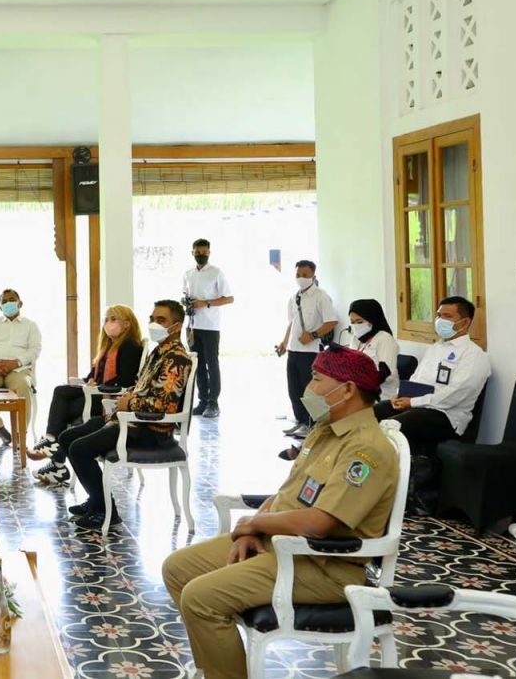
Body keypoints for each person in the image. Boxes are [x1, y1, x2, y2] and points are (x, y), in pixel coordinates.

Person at [162, 346, 399, 679]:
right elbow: (286, 494)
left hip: (323, 565)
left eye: (317, 379)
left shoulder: (366, 448)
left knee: (201, 598)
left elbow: (319, 523)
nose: (308, 387)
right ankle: (215, 668)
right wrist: (254, 531)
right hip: (279, 545)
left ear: (347, 389)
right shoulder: (325, 429)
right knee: (177, 568)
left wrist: (255, 522)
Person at [51, 301, 193, 523]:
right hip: (131, 422)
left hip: (149, 430)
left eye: (161, 320)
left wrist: (130, 403)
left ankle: (105, 511)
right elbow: (140, 388)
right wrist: (127, 398)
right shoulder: (158, 352)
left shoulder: (176, 358)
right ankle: (96, 500)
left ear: (177, 326)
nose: (154, 324)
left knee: (80, 448)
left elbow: (162, 405)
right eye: (152, 319)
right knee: (67, 437)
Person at [373, 296, 490, 510]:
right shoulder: (435, 348)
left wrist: (414, 402)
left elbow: (455, 395)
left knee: (393, 426)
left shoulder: (475, 356)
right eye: (438, 315)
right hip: (416, 405)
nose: (440, 320)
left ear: (465, 322)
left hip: (445, 416)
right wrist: (399, 396)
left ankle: (390, 490)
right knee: (371, 414)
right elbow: (416, 379)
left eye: (447, 316)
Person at [279, 299, 401, 461]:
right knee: (326, 408)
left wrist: (360, 381)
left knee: (338, 413)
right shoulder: (357, 339)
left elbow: (387, 374)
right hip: (354, 393)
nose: (355, 326)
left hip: (378, 396)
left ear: (372, 319)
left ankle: (314, 450)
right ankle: (310, 447)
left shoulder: (384, 339)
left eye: (360, 321)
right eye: (352, 322)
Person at [27, 304, 143, 464]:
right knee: (61, 391)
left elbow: (125, 379)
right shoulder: (108, 346)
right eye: (106, 319)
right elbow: (93, 374)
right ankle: (53, 447)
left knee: (64, 408)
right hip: (96, 392)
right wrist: (90, 381)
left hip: (109, 398)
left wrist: (97, 386)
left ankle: (54, 451)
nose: (108, 323)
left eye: (113, 319)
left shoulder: (130, 346)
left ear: (127, 324)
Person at [274, 260, 338, 440]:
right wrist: (284, 343)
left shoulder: (321, 296)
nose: (301, 278)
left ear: (313, 276)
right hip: (294, 350)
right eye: (298, 275)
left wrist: (313, 335)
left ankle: (313, 425)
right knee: (294, 390)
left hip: (311, 352)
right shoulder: (294, 297)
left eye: (305, 275)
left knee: (310, 390)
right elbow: (291, 323)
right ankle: (301, 421)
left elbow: (331, 321)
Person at [0, 288, 42, 444]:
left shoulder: (31, 325)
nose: (8, 303)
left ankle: (20, 435)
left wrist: (16, 362)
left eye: (12, 300)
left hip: (18, 370)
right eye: (4, 302)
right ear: (0, 307)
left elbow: (35, 349)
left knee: (23, 385)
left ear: (20, 303)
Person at [183, 238, 234, 419]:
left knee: (212, 363)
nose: (201, 255)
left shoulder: (216, 273)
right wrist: (186, 302)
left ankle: (214, 403)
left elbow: (229, 298)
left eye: (204, 252)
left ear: (209, 253)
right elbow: (185, 294)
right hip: (192, 326)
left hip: (211, 326)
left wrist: (205, 303)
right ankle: (203, 401)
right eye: (197, 252)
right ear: (192, 253)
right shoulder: (188, 274)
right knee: (197, 365)